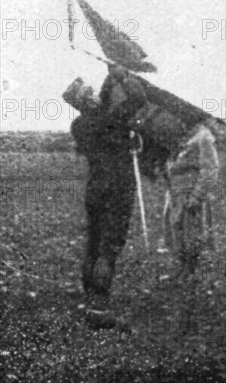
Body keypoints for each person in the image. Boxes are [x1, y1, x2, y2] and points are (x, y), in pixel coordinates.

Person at [66, 66, 147, 329]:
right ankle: (99, 312)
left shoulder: (79, 125)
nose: (97, 94)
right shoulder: (110, 116)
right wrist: (123, 76)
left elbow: (103, 111)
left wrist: (110, 73)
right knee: (109, 248)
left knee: (93, 244)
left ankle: (91, 303)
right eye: (91, 93)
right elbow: (138, 99)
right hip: (118, 188)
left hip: (96, 188)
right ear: (88, 100)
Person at [163, 121, 219, 277]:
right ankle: (180, 265)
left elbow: (210, 169)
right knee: (175, 228)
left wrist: (198, 195)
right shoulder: (179, 137)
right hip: (175, 193)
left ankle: (191, 269)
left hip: (191, 192)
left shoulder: (203, 137)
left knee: (192, 231)